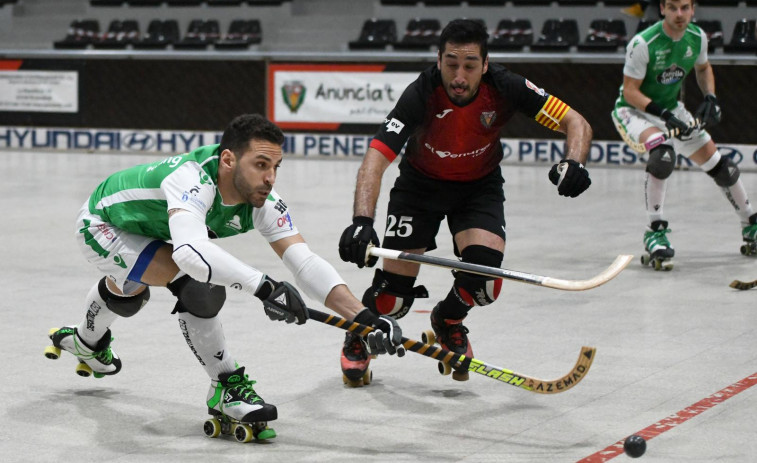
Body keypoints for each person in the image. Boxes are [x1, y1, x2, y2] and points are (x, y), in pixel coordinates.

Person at [45, 114, 405, 438]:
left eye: (276, 166)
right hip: (104, 224)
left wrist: (365, 318)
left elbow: (304, 262)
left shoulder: (262, 198)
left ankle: (85, 342)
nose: (270, 177)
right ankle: (226, 385)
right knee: (197, 285)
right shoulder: (191, 179)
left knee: (130, 292)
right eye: (260, 164)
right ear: (228, 159)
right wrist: (265, 287)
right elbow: (189, 253)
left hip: (155, 229)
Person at [337, 19, 593, 382]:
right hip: (419, 188)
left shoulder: (506, 86)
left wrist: (575, 161)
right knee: (392, 299)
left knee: (486, 280)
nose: (459, 75)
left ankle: (448, 319)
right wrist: (362, 221)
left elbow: (576, 122)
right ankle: (361, 333)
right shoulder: (420, 93)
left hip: (478, 187)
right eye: (451, 63)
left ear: (485, 65)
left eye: (470, 65)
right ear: (438, 59)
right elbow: (375, 159)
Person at [611, 0, 757, 268]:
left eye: (685, 8)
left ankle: (751, 224)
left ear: (693, 9)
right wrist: (665, 117)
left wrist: (711, 97)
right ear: (662, 9)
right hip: (634, 112)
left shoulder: (697, 37)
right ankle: (655, 232)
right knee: (662, 156)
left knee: (723, 168)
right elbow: (630, 91)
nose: (680, 14)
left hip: (670, 109)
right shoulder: (644, 43)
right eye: (673, 7)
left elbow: (703, 68)